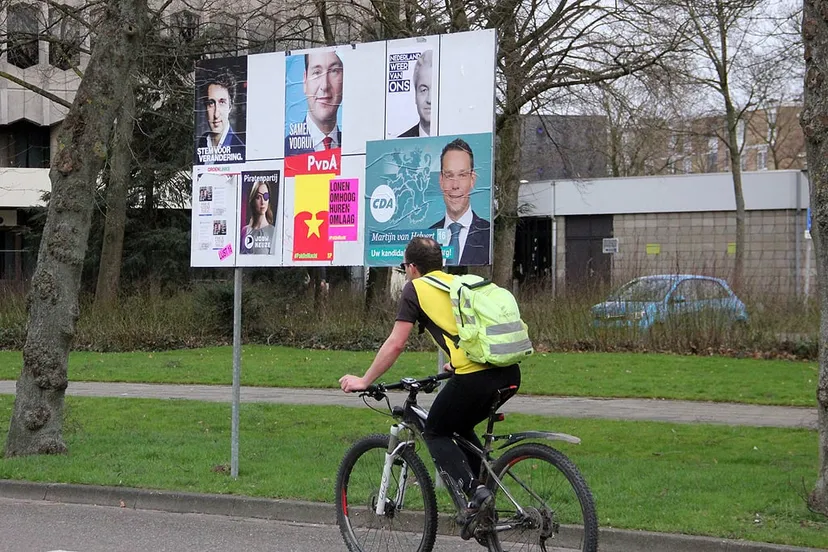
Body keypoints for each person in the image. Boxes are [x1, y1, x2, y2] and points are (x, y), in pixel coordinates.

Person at [339, 237, 520, 539]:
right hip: (508, 372)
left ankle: (476, 492)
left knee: (435, 430)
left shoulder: (416, 289)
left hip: (476, 377)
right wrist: (457, 360)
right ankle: (484, 503)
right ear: (439, 264)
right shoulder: (456, 284)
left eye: (406, 267)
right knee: (459, 428)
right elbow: (468, 331)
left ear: (411, 267)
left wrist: (365, 379)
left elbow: (396, 342)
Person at [429, 138, 491, 265]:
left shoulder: (489, 235)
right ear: (441, 180)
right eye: (449, 175)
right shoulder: (427, 237)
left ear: (472, 180)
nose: (455, 185)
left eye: (462, 175)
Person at [285, 51, 344, 155]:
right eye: (317, 72)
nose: (325, 86)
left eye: (334, 71)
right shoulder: (284, 151)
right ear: (305, 81)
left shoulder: (354, 146)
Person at [197, 68, 245, 154]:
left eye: (222, 102)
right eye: (211, 103)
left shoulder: (239, 150)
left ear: (230, 107)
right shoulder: (202, 142)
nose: (216, 114)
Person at [398, 50, 432, 138]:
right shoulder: (399, 143)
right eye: (424, 90)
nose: (429, 100)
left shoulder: (462, 143)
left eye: (435, 91)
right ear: (415, 95)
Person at [240, 182, 277, 255]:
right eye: (258, 197)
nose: (262, 202)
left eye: (266, 196)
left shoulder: (274, 233)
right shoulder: (244, 231)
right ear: (253, 200)